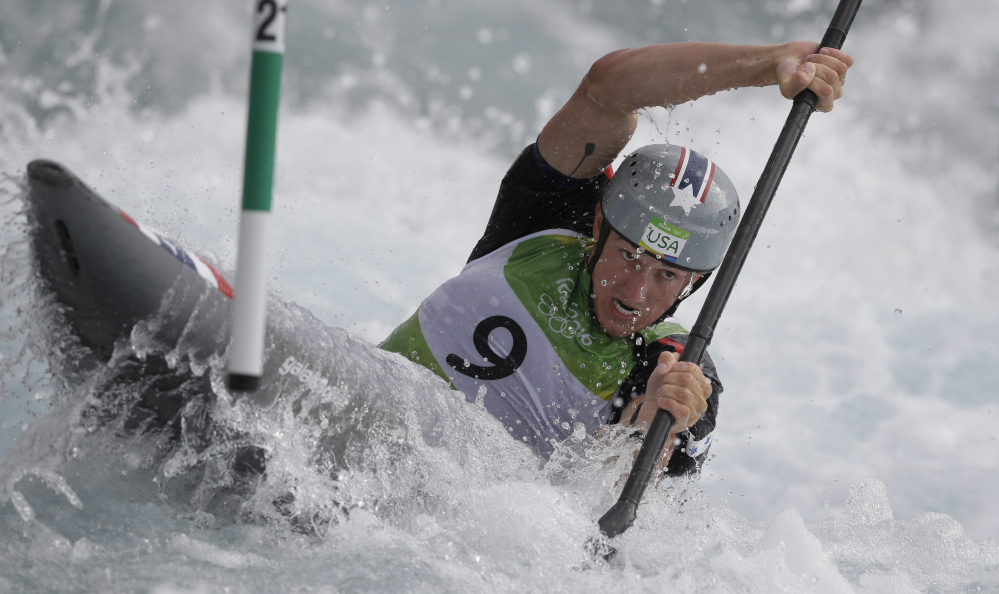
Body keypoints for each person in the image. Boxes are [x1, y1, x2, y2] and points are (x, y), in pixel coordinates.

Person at [381, 41, 853, 474]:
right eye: (629, 255)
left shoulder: (670, 363)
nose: (635, 292)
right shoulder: (546, 217)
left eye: (667, 274)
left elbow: (597, 513)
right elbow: (607, 89)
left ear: (696, 281)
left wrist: (654, 431)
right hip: (368, 416)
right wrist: (769, 65)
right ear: (598, 225)